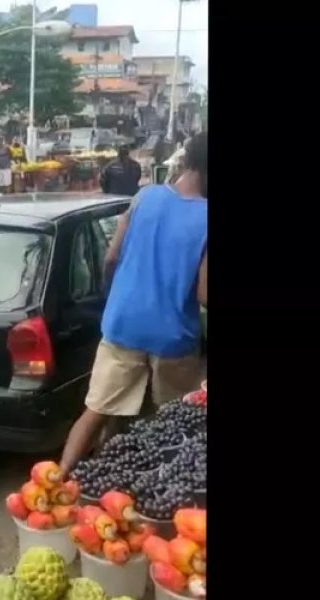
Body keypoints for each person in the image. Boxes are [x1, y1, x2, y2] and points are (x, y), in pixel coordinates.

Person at [58, 132, 209, 476]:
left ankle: (58, 479)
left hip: (123, 323)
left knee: (97, 410)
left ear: (187, 162)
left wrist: (120, 296)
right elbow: (203, 294)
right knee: (172, 424)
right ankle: (155, 491)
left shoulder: (144, 197)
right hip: (172, 337)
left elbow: (111, 258)